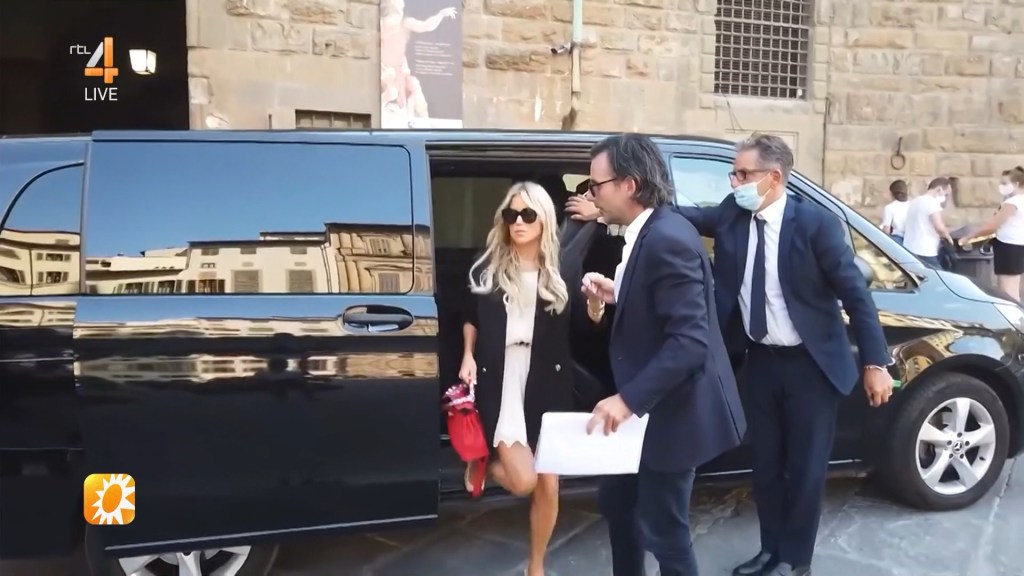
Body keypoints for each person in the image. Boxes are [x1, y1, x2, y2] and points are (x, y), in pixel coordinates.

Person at [660, 133, 891, 576]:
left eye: (743, 174)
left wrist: (875, 362)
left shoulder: (816, 225)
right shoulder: (733, 214)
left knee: (805, 471)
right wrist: (616, 209)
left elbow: (856, 295)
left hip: (811, 367)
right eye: (733, 174)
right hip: (760, 362)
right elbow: (685, 215)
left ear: (774, 177)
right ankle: (770, 551)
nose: (735, 183)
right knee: (765, 466)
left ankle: (794, 560)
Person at [579, 133, 746, 576]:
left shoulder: (666, 238)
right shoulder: (651, 230)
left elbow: (689, 342)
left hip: (673, 416)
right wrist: (619, 293)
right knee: (619, 507)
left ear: (629, 185)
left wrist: (627, 400)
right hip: (650, 417)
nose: (591, 195)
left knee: (664, 533)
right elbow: (661, 303)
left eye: (595, 185)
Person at [458, 181, 573, 576]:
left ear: (544, 220)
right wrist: (468, 354)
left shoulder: (557, 273)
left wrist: (595, 308)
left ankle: (536, 566)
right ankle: (485, 462)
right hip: (501, 377)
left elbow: (584, 327)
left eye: (527, 214)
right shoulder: (488, 267)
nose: (518, 222)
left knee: (549, 483)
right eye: (511, 214)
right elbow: (470, 316)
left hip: (543, 378)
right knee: (525, 481)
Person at [560, 180, 626, 411]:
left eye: (594, 191)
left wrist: (600, 213)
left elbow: (649, 212)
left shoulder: (581, 241)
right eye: (586, 193)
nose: (588, 197)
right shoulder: (596, 244)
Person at [380, 0, 457, 123]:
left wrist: (440, 15)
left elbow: (425, 26)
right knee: (391, 88)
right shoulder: (381, 25)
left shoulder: (405, 23)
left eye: (401, 7)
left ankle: (422, 123)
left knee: (414, 86)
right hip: (384, 70)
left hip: (400, 70)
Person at [960, 166, 1024, 301]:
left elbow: (992, 226)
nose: (1002, 186)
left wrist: (968, 237)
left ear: (1017, 183)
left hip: (1008, 247)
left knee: (1006, 291)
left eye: (1005, 183)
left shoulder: (1012, 203)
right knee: (1013, 288)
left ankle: (1012, 314)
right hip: (1018, 246)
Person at [902, 177, 955, 269]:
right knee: (938, 275)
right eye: (946, 194)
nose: (945, 198)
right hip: (925, 250)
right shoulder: (932, 202)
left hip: (910, 247)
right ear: (939, 189)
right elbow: (939, 227)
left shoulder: (915, 201)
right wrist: (948, 238)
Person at [880, 179, 909, 245]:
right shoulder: (912, 205)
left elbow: (886, 230)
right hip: (910, 239)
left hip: (897, 238)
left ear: (891, 193)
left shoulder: (890, 207)